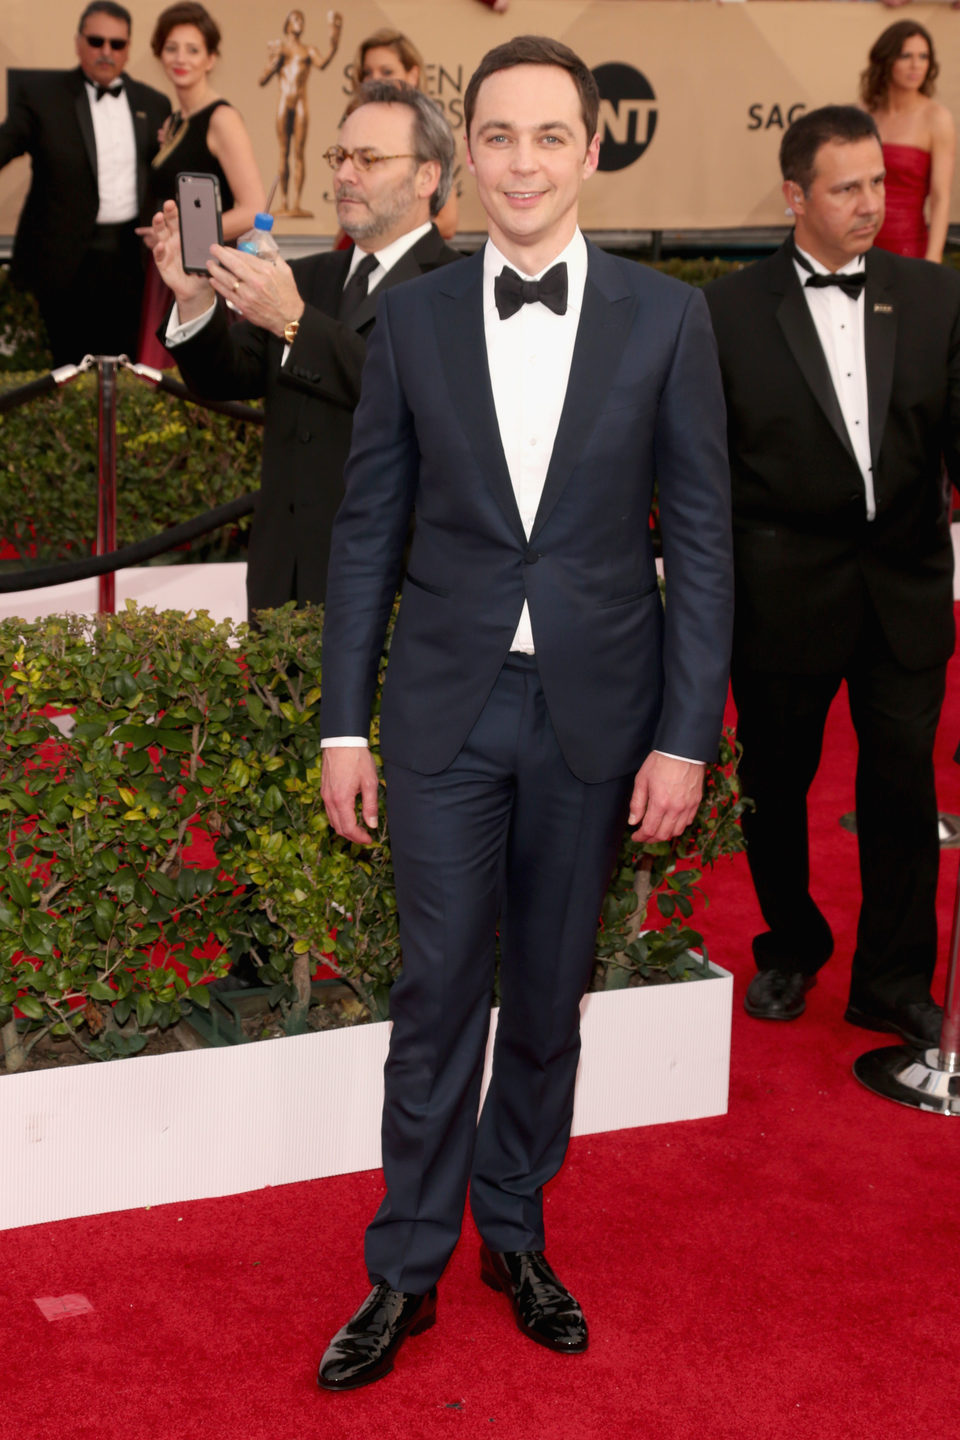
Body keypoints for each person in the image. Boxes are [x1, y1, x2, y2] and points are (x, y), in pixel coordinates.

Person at [317, 35, 732, 1390]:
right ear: (466, 156)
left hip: (598, 717)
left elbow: (707, 546)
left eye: (549, 136)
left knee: (548, 998)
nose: (523, 163)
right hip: (446, 707)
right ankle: (404, 1267)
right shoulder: (416, 319)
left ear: (591, 150)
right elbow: (366, 527)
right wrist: (342, 724)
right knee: (437, 991)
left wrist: (684, 735)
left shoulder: (670, 320)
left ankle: (516, 1228)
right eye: (497, 136)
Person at [704, 106, 960, 1053]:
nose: (868, 205)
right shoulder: (725, 312)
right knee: (772, 786)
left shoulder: (935, 298)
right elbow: (703, 472)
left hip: (904, 591)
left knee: (902, 795)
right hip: (780, 595)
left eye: (877, 185)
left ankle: (893, 983)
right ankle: (792, 944)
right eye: (846, 188)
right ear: (794, 197)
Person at [147, 81, 460, 617]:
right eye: (340, 156)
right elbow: (226, 377)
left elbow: (414, 393)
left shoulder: (460, 286)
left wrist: (294, 323)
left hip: (399, 590)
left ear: (427, 176)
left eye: (369, 158)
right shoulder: (308, 275)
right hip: (282, 582)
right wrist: (195, 298)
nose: (343, 174)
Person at [0, 2, 170, 365]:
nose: (106, 52)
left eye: (118, 44)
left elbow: (168, 176)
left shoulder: (155, 104)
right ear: (78, 43)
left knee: (124, 368)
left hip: (130, 261)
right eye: (96, 41)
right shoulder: (41, 96)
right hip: (63, 263)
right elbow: (5, 144)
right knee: (66, 370)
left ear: (127, 48)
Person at [136, 1, 265, 367]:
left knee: (197, 385)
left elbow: (255, 209)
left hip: (206, 277)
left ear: (210, 58)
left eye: (193, 49)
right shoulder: (176, 120)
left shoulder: (221, 118)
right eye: (171, 48)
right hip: (170, 272)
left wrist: (185, 235)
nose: (181, 58)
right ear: (159, 54)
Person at [348, 28, 459, 241]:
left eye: (387, 72)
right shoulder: (358, 124)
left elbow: (448, 222)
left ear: (413, 75)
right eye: (368, 73)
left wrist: (384, 230)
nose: (375, 80)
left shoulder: (427, 130)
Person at [860, 21, 955, 262]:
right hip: (860, 245)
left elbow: (940, 196)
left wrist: (934, 257)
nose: (916, 65)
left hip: (909, 248)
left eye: (923, 57)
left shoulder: (937, 118)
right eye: (906, 56)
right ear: (887, 60)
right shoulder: (865, 115)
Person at [259, 9, 342, 219]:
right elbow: (263, 79)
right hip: (283, 102)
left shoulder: (308, 51)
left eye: (302, 20)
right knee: (283, 152)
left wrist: (335, 37)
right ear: (287, 24)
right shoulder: (281, 49)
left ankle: (296, 203)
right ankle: (284, 202)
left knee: (299, 153)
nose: (300, 23)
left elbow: (323, 63)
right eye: (296, 19)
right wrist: (274, 62)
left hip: (300, 103)